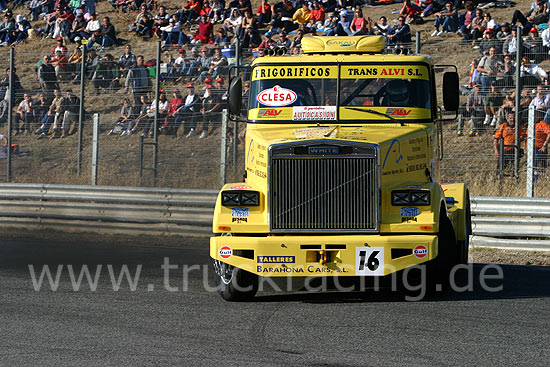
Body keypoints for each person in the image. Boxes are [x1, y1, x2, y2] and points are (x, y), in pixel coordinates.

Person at [493, 109, 526, 173]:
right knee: (500, 168)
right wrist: (496, 151)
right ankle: (499, 179)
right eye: (510, 118)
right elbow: (496, 139)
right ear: (507, 118)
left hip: (515, 150)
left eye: (514, 118)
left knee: (515, 169)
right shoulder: (503, 126)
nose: (512, 119)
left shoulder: (520, 127)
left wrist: (521, 139)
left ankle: (514, 179)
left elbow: (524, 136)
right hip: (504, 150)